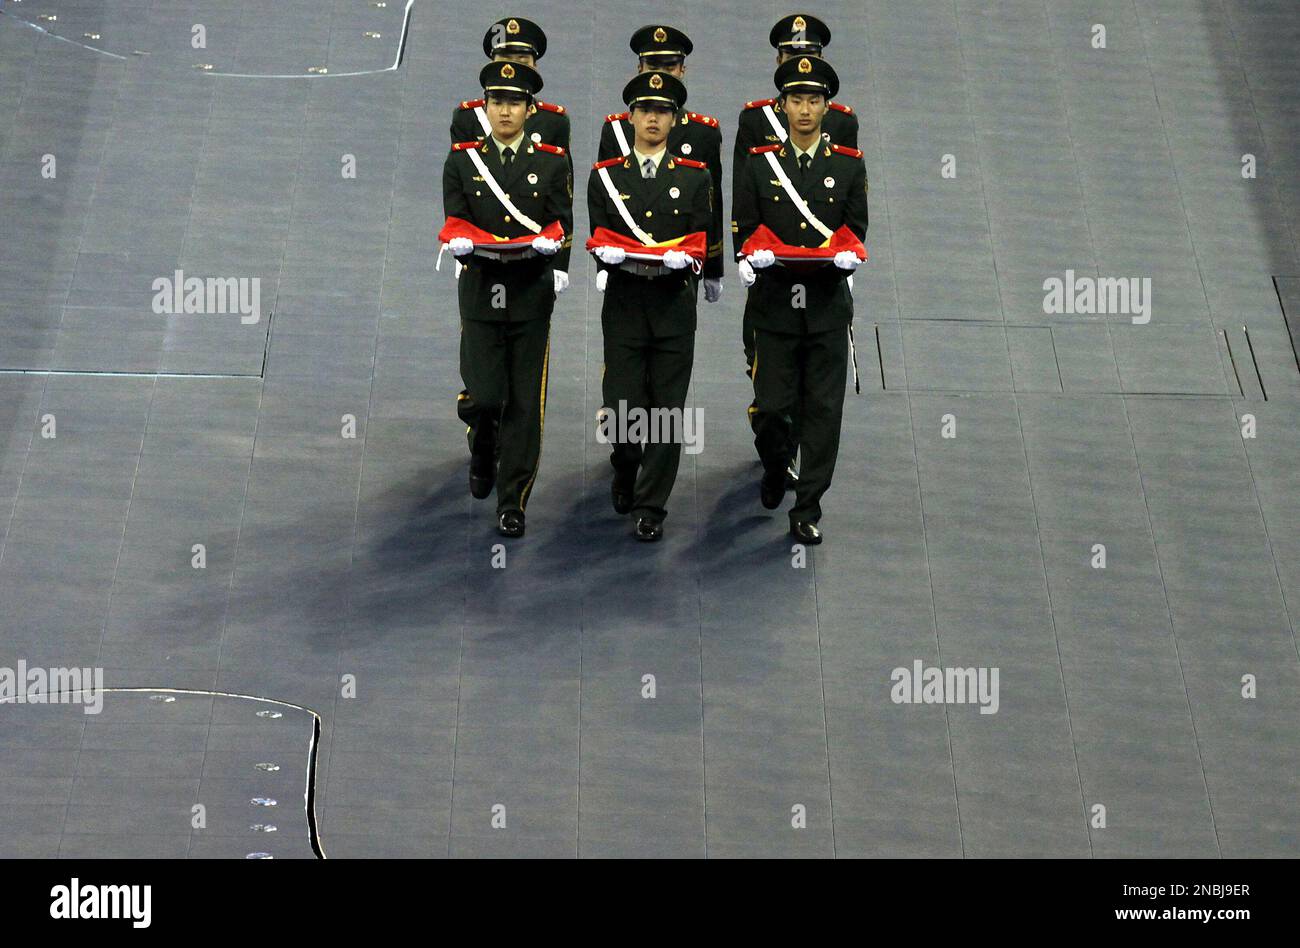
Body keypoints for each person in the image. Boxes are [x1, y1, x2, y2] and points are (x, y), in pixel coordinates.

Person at [732, 56, 868, 544]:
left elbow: (856, 227)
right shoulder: (760, 163)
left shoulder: (849, 166)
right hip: (774, 308)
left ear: (827, 107)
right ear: (783, 105)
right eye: (796, 100)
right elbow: (746, 227)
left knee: (824, 414)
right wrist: (749, 257)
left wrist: (850, 257)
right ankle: (775, 464)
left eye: (814, 100)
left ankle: (807, 507)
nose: (805, 109)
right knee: (771, 408)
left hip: (828, 307)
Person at [442, 60, 573, 538]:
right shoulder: (462, 161)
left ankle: (513, 497)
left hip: (529, 291)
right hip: (481, 288)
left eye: (514, 103)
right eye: (497, 102)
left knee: (523, 401)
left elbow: (562, 219)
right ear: (486, 106)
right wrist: (457, 242)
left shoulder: (552, 162)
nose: (504, 111)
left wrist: (557, 259)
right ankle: (481, 436)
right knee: (485, 392)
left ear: (528, 108)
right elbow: (455, 215)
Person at [588, 71, 713, 542]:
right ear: (631, 117)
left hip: (672, 303)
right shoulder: (605, 176)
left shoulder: (695, 177)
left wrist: (695, 265)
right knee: (621, 400)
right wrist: (605, 256)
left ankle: (651, 505)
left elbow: (702, 234)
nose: (653, 119)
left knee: (666, 408)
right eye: (645, 111)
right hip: (624, 301)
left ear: (674, 120)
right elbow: (598, 232)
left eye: (662, 111)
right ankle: (625, 461)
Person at [598, 25, 724, 301]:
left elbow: (712, 206)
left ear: (682, 71)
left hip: (678, 268)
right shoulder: (616, 130)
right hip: (625, 267)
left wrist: (712, 266)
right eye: (652, 65)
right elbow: (604, 201)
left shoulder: (704, 133)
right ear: (639, 69)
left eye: (669, 67)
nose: (660, 75)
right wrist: (602, 264)